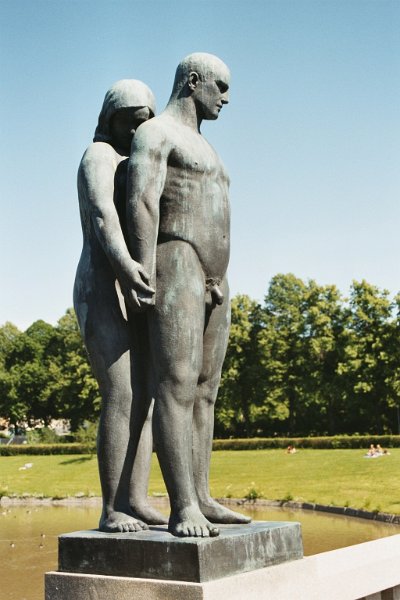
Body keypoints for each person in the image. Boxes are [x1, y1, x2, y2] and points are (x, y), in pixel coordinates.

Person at [126, 53, 250, 537]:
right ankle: (183, 508)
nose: (226, 97)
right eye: (219, 86)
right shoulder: (156, 133)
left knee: (206, 391)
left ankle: (202, 495)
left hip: (217, 278)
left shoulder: (206, 147)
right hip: (176, 259)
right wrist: (142, 267)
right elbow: (141, 199)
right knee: (176, 383)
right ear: (193, 82)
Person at [74, 80, 167, 532]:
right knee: (122, 393)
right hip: (101, 287)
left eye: (144, 121)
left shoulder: (134, 161)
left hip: (129, 286)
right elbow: (100, 214)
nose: (138, 129)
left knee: (146, 396)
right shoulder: (99, 157)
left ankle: (137, 497)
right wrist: (128, 266)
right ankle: (112, 507)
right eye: (131, 120)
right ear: (112, 117)